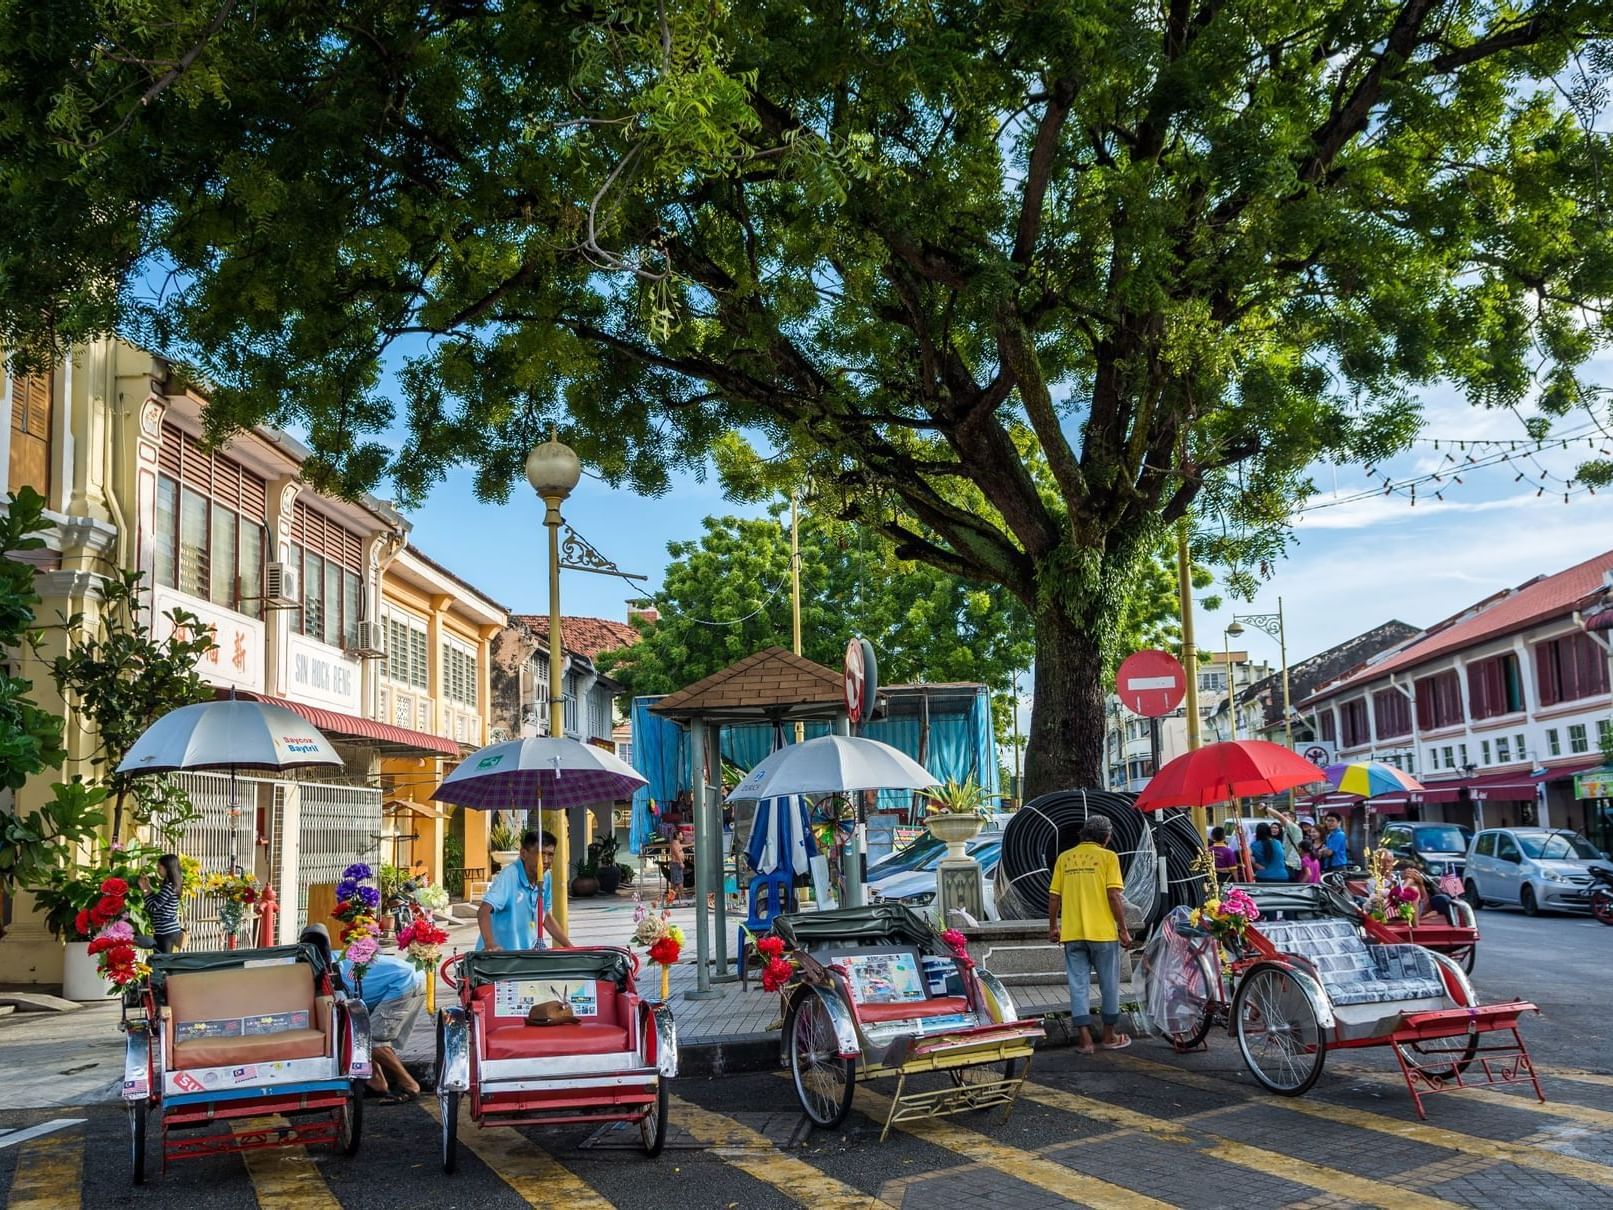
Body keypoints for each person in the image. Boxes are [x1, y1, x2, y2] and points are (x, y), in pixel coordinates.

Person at [300, 925, 424, 1104]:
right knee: (361, 1034)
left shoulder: (328, 967)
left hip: (403, 983)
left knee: (371, 1040)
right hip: (393, 983)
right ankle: (377, 1083)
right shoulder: (325, 962)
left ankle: (409, 1084)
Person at [1048, 815, 1132, 1054]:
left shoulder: (1065, 858)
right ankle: (1108, 1035)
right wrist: (1123, 929)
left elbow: (1054, 897)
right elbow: (1114, 896)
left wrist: (1053, 927)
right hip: (1103, 933)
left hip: (1073, 933)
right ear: (1105, 837)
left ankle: (1084, 1040)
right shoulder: (1108, 857)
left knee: (1078, 985)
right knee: (1109, 985)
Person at [478, 829, 573, 951]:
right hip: (499, 957)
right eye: (540, 854)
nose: (545, 861)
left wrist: (570, 947)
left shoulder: (546, 877)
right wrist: (490, 944)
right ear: (523, 853)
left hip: (526, 955)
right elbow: (483, 910)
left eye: (550, 855)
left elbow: (544, 915)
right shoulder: (509, 875)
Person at [138, 854, 185, 953]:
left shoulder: (169, 887)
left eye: (159, 867)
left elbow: (153, 907)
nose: (157, 870)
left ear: (167, 868)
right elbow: (158, 902)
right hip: (169, 930)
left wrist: (145, 889)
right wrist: (147, 887)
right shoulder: (173, 885)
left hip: (165, 932)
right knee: (164, 962)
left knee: (163, 963)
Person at [1266, 805, 1305, 875]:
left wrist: (1265, 808)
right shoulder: (1285, 830)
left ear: (1293, 818)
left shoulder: (1294, 828)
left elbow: (1279, 817)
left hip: (1292, 863)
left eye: (1285, 816)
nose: (1283, 818)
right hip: (1287, 863)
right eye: (1283, 815)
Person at [665, 832, 687, 906]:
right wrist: (681, 862)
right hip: (676, 864)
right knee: (679, 881)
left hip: (677, 865)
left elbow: (682, 846)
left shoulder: (677, 843)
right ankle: (683, 896)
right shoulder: (674, 843)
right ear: (677, 836)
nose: (682, 836)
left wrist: (693, 844)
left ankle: (670, 899)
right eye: (681, 835)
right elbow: (676, 853)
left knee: (674, 883)